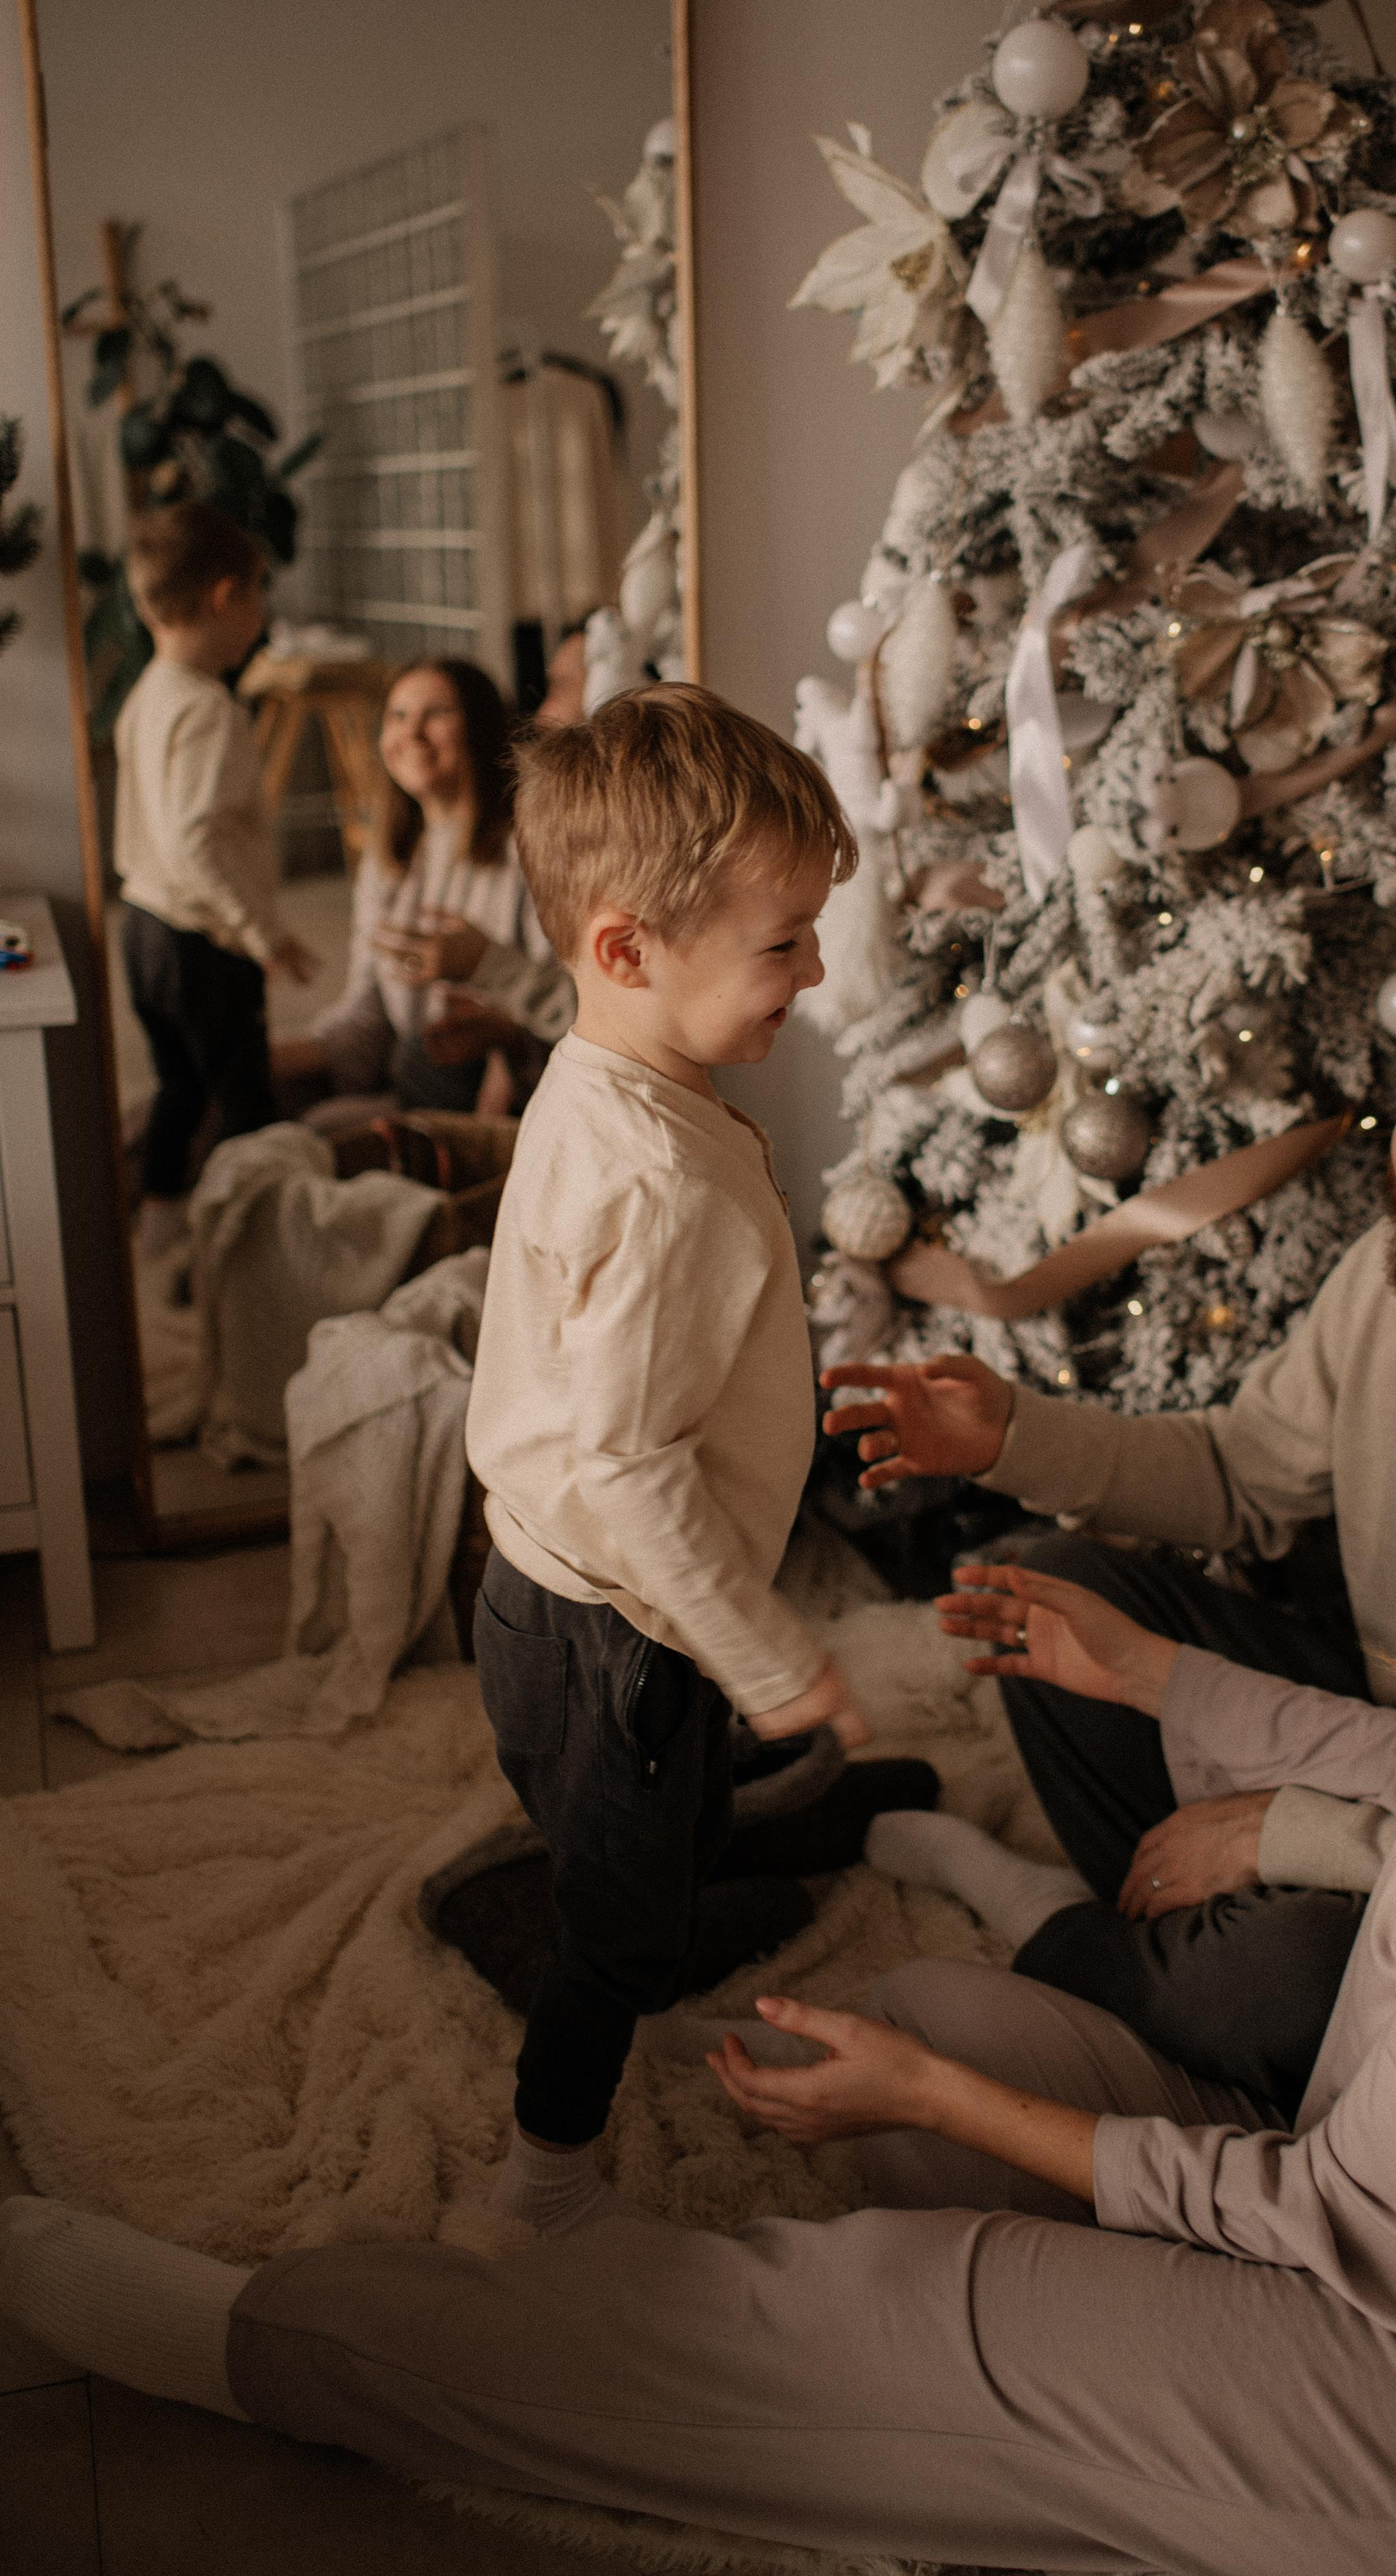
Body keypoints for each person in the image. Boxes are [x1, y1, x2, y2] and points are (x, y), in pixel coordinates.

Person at [6, 1241, 1396, 2576]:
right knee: (964, 2020)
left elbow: (1378, 2242)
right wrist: (1138, 1667)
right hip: (1392, 2202)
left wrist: (943, 2111)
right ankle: (1019, 2347)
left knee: (889, 2279)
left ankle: (264, 2335)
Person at [824, 917, 1396, 2113]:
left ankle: (1080, 1939)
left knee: (1288, 1981)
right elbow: (1243, 1476)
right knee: (1051, 1596)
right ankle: (1170, 1940)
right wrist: (1010, 1437)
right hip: (1383, 1732)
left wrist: (1293, 1835)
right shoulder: (1394, 1283)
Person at [458, 683, 877, 2238]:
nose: (814, 971)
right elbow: (632, 1472)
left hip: (540, 1589)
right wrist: (764, 1650)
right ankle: (544, 2177)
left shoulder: (605, 1080)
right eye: (781, 944)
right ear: (628, 949)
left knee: (669, 1825)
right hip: (617, 1625)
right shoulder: (664, 1186)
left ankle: (640, 1908)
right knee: (620, 1919)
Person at [113, 504, 316, 1257]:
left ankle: (163, 1218)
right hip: (201, 942)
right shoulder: (209, 710)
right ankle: (235, 1251)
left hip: (142, 928)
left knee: (178, 1083)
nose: (261, 618)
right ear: (227, 597)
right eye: (260, 596)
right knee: (244, 1096)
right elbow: (195, 842)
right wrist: (260, 934)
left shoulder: (147, 696)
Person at [270, 656, 571, 1128]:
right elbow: (369, 1019)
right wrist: (257, 1061)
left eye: (436, 714)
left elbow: (579, 1015)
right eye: (397, 716)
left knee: (322, 1131)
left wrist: (501, 1024)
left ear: (479, 728)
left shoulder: (530, 850)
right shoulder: (389, 857)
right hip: (416, 1079)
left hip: (516, 1092)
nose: (411, 733)